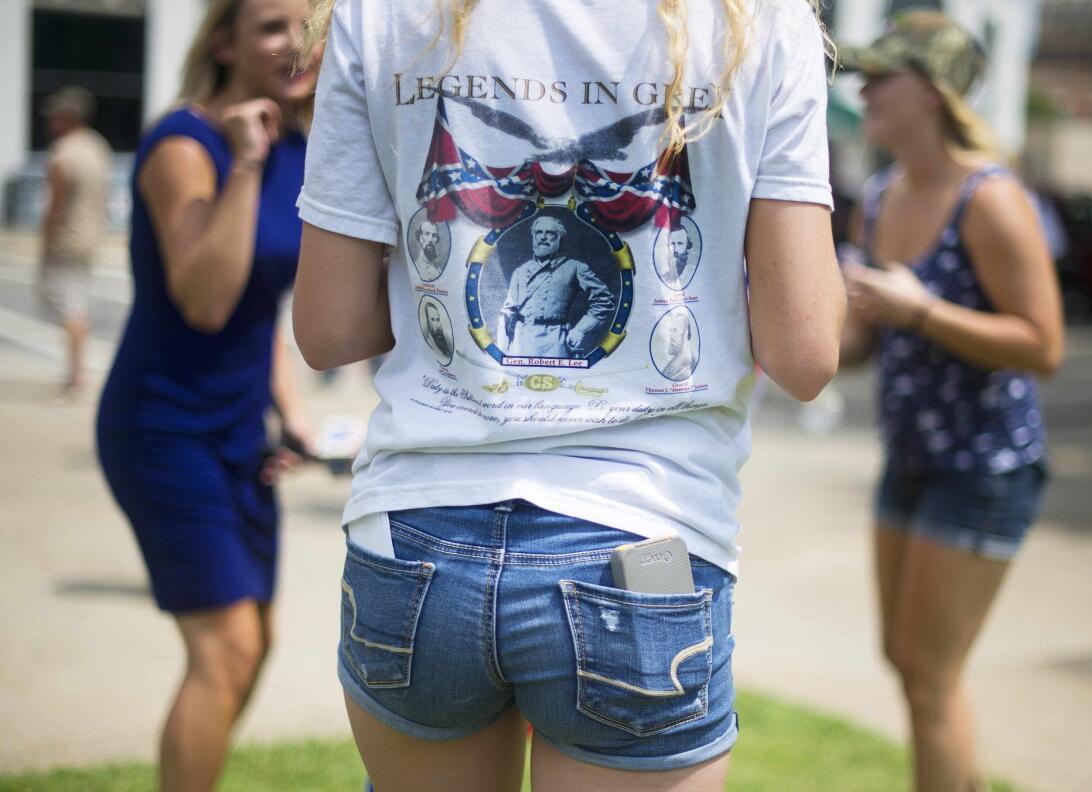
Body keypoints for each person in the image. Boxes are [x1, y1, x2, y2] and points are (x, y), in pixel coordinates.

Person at [294, 0, 844, 789]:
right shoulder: (758, 19)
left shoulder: (379, 11)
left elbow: (329, 330)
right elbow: (805, 352)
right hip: (643, 540)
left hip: (415, 540)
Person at [94, 0, 319, 789]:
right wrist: (246, 162)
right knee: (224, 649)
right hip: (163, 427)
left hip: (237, 429)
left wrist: (288, 413)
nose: (296, 42)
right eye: (271, 26)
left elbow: (262, 312)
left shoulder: (301, 141)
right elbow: (209, 299)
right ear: (223, 41)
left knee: (253, 646)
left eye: (307, 23)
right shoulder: (186, 146)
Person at [837, 13, 1063, 792]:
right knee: (906, 663)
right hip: (909, 460)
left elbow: (1045, 345)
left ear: (931, 94)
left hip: (984, 469)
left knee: (931, 677)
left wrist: (921, 309)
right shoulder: (876, 194)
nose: (861, 88)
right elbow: (865, 347)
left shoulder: (991, 198)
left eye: (880, 76)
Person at [38, 86, 112, 396]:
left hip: (66, 239)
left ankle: (76, 374)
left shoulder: (63, 153)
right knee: (77, 304)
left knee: (68, 307)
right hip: (91, 236)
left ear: (67, 117)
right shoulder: (98, 146)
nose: (50, 122)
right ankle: (77, 372)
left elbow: (55, 205)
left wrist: (45, 241)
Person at [501, 215, 615, 357]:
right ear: (533, 237)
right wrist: (505, 344)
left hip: (555, 342)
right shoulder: (521, 270)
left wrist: (581, 329)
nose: (543, 237)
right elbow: (508, 311)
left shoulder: (575, 267)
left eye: (549, 233)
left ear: (559, 237)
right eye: (538, 232)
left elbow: (604, 301)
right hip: (521, 341)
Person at [658, 311, 697, 381]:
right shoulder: (674, 364)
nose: (671, 336)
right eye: (670, 331)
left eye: (675, 330)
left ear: (686, 333)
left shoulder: (685, 370)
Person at [658, 224, 695, 290]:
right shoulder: (662, 278)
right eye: (672, 244)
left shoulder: (693, 275)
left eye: (680, 243)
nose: (675, 250)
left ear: (687, 245)